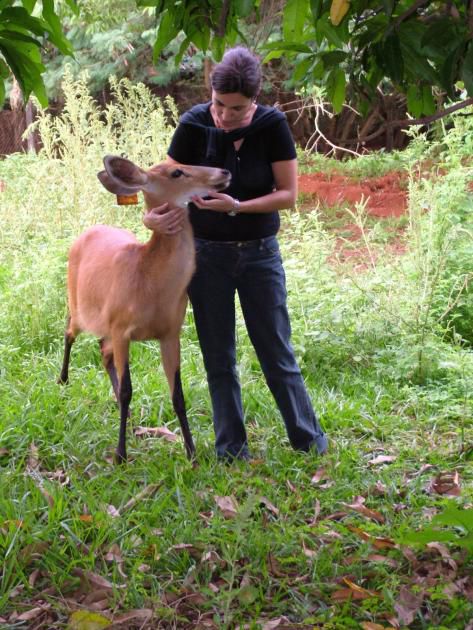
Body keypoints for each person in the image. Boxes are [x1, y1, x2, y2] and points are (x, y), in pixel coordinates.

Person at [161, 46, 328, 460]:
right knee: (219, 357)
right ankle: (231, 451)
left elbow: (288, 195)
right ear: (210, 93)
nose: (224, 116)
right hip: (206, 257)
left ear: (254, 100)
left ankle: (309, 442)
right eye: (219, 104)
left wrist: (236, 206)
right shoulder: (194, 123)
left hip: (259, 255)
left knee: (276, 350)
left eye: (236, 109)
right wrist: (150, 221)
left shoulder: (272, 125)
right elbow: (162, 183)